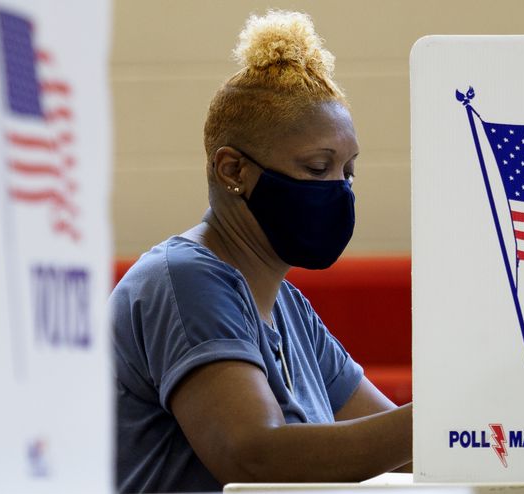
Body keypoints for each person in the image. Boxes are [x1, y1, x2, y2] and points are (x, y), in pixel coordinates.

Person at [111, 10, 412, 493]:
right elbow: (253, 457)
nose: (339, 190)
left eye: (348, 172)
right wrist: (445, 415)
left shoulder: (289, 307)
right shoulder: (184, 280)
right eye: (318, 169)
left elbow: (396, 447)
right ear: (233, 170)